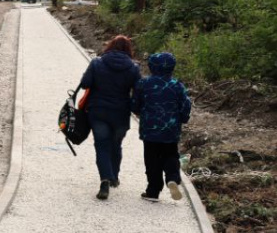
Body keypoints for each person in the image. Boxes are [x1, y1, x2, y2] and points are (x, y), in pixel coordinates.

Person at [79, 34, 141, 200]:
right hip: (121, 113)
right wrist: (135, 108)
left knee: (102, 145)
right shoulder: (133, 68)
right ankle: (114, 176)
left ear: (110, 46)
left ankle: (105, 181)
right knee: (116, 144)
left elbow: (85, 83)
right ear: (129, 49)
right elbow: (138, 92)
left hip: (98, 111)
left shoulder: (97, 63)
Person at [132, 52, 192, 202]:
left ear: (152, 66)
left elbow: (135, 104)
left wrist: (139, 112)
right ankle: (172, 178)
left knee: (151, 159)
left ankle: (153, 191)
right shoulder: (177, 85)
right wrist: (183, 119)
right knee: (171, 154)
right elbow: (186, 105)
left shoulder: (143, 83)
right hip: (170, 129)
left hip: (150, 129)